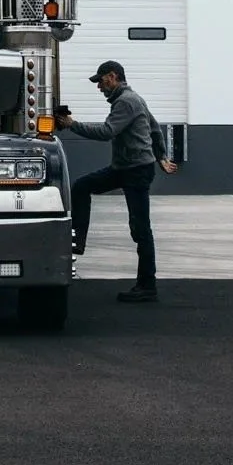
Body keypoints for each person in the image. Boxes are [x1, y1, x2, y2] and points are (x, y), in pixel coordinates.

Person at [57, 60, 176, 302]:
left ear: (112, 77)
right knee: (81, 186)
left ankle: (147, 286)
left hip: (136, 171)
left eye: (100, 81)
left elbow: (106, 132)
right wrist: (161, 156)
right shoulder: (133, 99)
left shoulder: (126, 102)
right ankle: (77, 241)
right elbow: (154, 129)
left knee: (140, 228)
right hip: (125, 168)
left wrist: (72, 125)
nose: (99, 87)